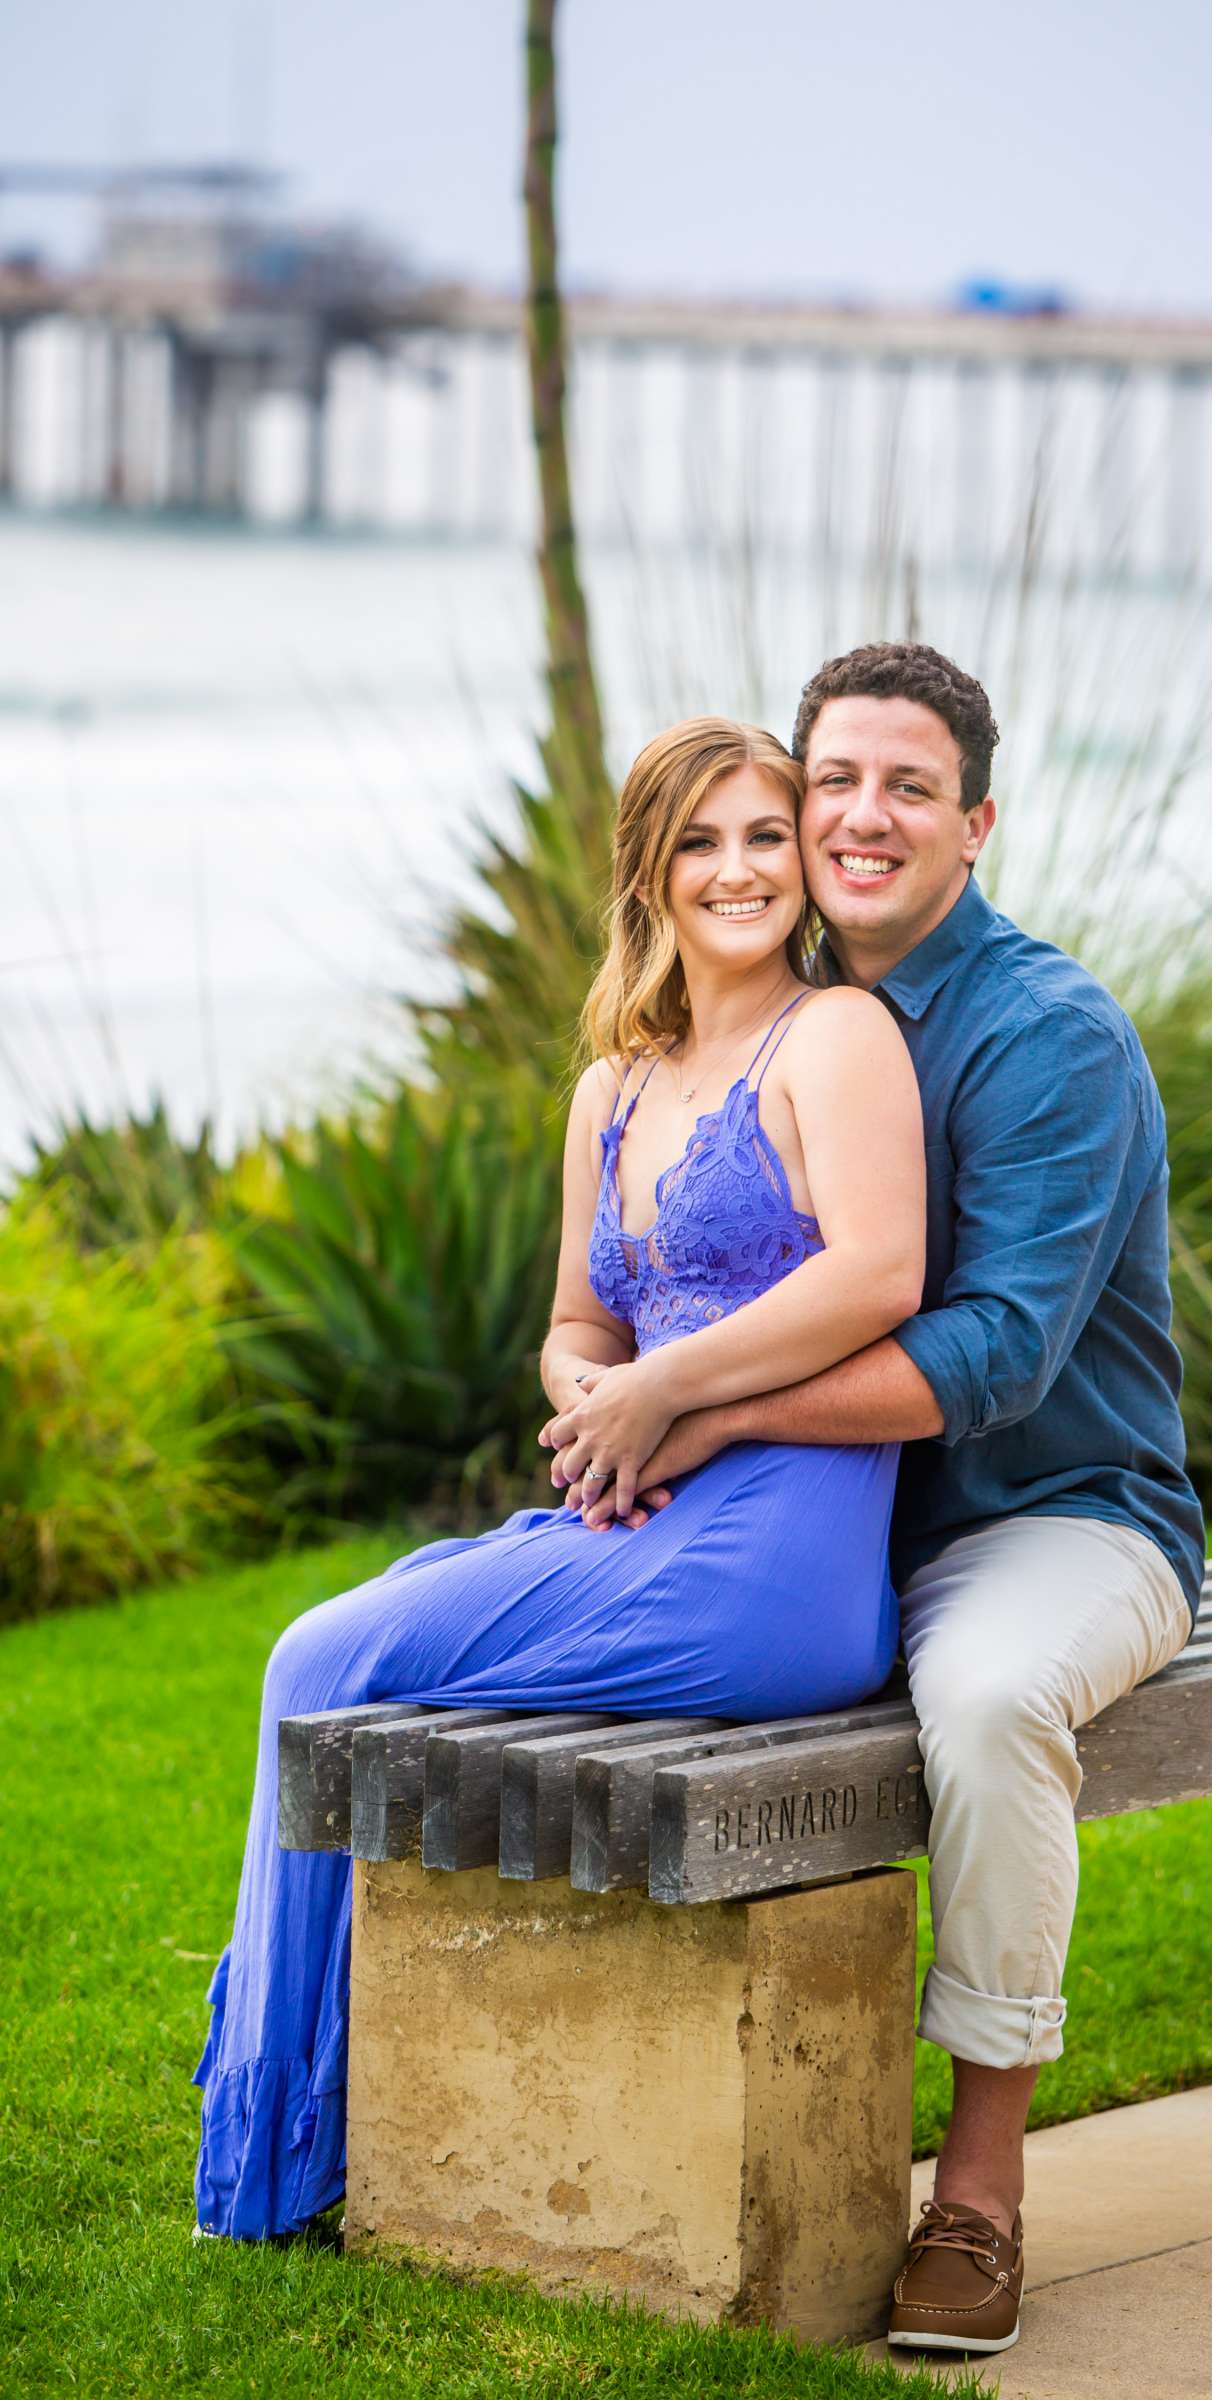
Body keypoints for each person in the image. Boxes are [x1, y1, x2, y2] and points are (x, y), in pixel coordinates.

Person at [190, 716, 926, 2241]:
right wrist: (589, 1390)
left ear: (801, 861)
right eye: (701, 842)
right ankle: (306, 2130)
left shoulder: (838, 1039)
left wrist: (666, 1389)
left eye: (766, 836)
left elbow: (881, 1272)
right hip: (639, 1523)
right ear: (647, 876)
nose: (741, 870)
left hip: (776, 1570)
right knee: (358, 1640)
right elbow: (575, 1327)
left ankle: (272, 2162)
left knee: (322, 1655)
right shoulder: (614, 1085)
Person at [555, 643, 1205, 2358]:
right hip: (825, 1524)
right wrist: (627, 1411)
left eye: (909, 786)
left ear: (974, 823)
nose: (858, 816)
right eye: (831, 779)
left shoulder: (1046, 1038)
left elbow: (989, 1357)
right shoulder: (773, 1016)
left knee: (986, 1702)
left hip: (1056, 1518)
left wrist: (692, 1408)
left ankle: (977, 2198)